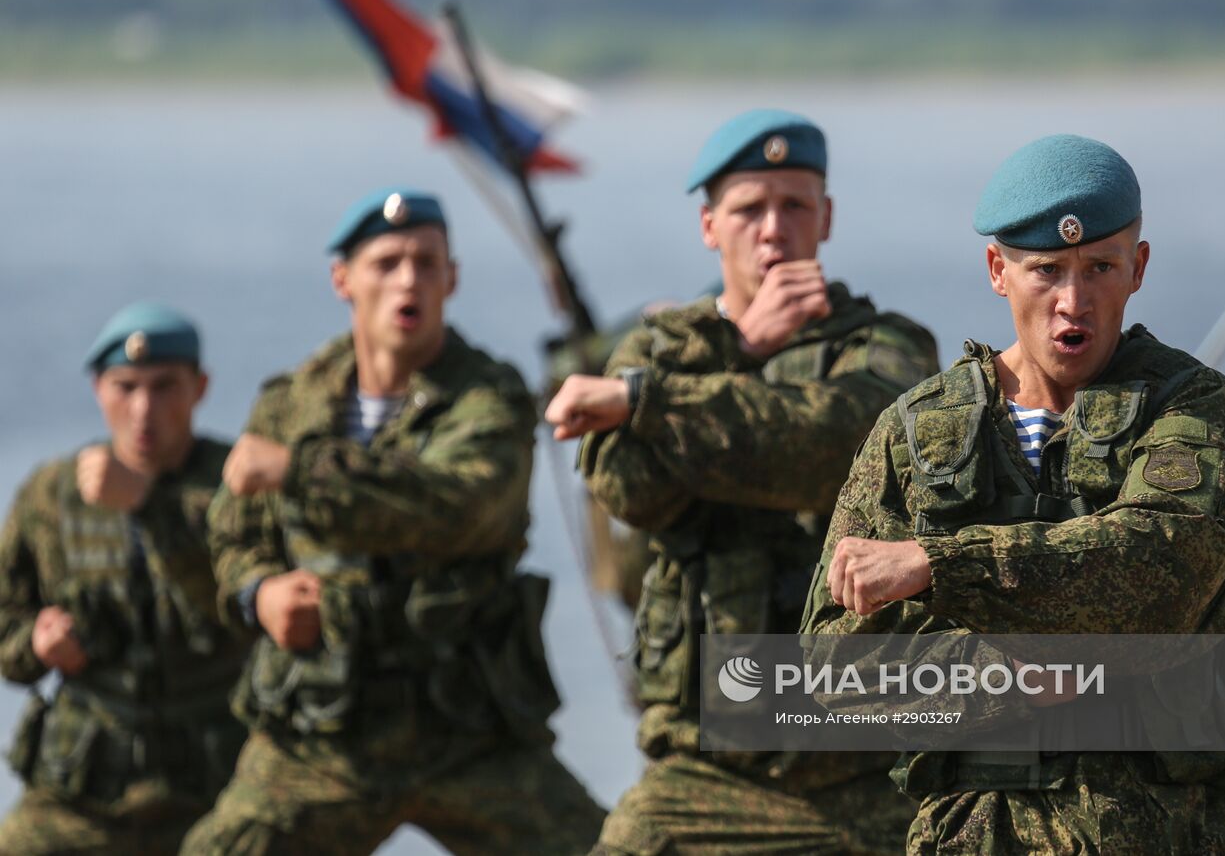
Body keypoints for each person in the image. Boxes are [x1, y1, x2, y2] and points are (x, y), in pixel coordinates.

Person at [804, 134, 1225, 854]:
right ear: (997, 271)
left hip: (1191, 828)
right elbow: (832, 666)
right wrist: (1009, 678)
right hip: (983, 834)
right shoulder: (915, 432)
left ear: (1136, 268)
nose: (1073, 302)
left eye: (1099, 267)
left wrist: (943, 565)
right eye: (1046, 270)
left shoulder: (1197, 411)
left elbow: (1150, 574)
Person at [546, 110, 942, 855]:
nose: (772, 229)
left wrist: (649, 405)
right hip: (709, 761)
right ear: (709, 225)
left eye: (794, 206)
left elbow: (838, 443)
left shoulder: (887, 346)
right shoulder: (657, 346)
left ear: (825, 218)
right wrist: (741, 344)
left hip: (868, 752)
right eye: (748, 209)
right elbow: (627, 484)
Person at [181, 189, 605, 854]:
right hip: (325, 733)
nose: (408, 279)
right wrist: (258, 592)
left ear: (451, 279)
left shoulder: (488, 395)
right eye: (386, 263)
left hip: (468, 727)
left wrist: (299, 472)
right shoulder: (292, 401)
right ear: (342, 279)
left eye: (425, 262)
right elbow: (237, 533)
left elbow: (454, 508)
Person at [0, 302, 248, 854]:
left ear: (199, 388)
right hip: (86, 787)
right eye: (125, 387)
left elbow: (245, 609)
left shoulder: (235, 487)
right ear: (98, 390)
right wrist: (36, 644)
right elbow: (6, 619)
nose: (144, 410)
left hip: (216, 787)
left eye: (164, 387)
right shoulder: (51, 496)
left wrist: (149, 506)